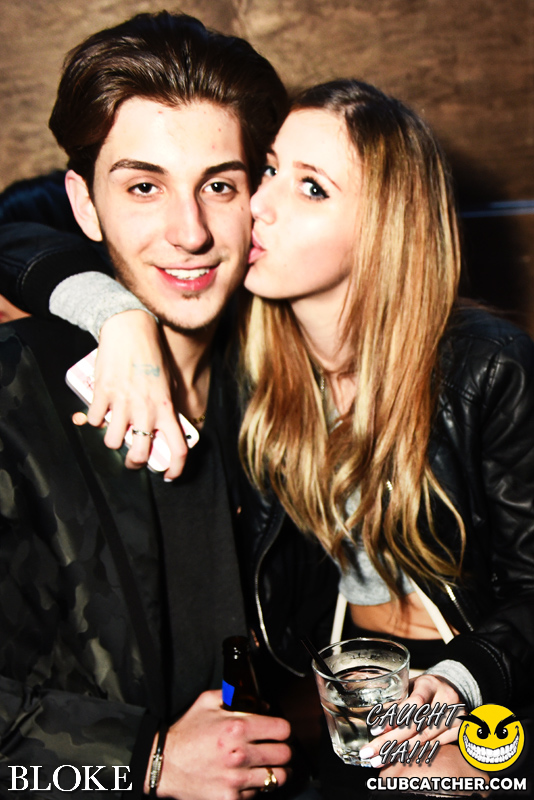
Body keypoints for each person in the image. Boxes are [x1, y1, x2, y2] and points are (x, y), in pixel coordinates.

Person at [2, 78, 533, 793]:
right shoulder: (256, 360)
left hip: (488, 684)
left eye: (311, 188)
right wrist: (115, 316)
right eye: (268, 171)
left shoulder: (485, 366)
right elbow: (15, 226)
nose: (257, 204)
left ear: (384, 226)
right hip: (339, 696)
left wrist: (465, 691)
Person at [0, 12, 339, 799]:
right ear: (86, 206)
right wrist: (144, 761)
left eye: (219, 185)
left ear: (258, 196)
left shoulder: (289, 382)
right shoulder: (15, 397)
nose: (189, 232)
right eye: (144, 187)